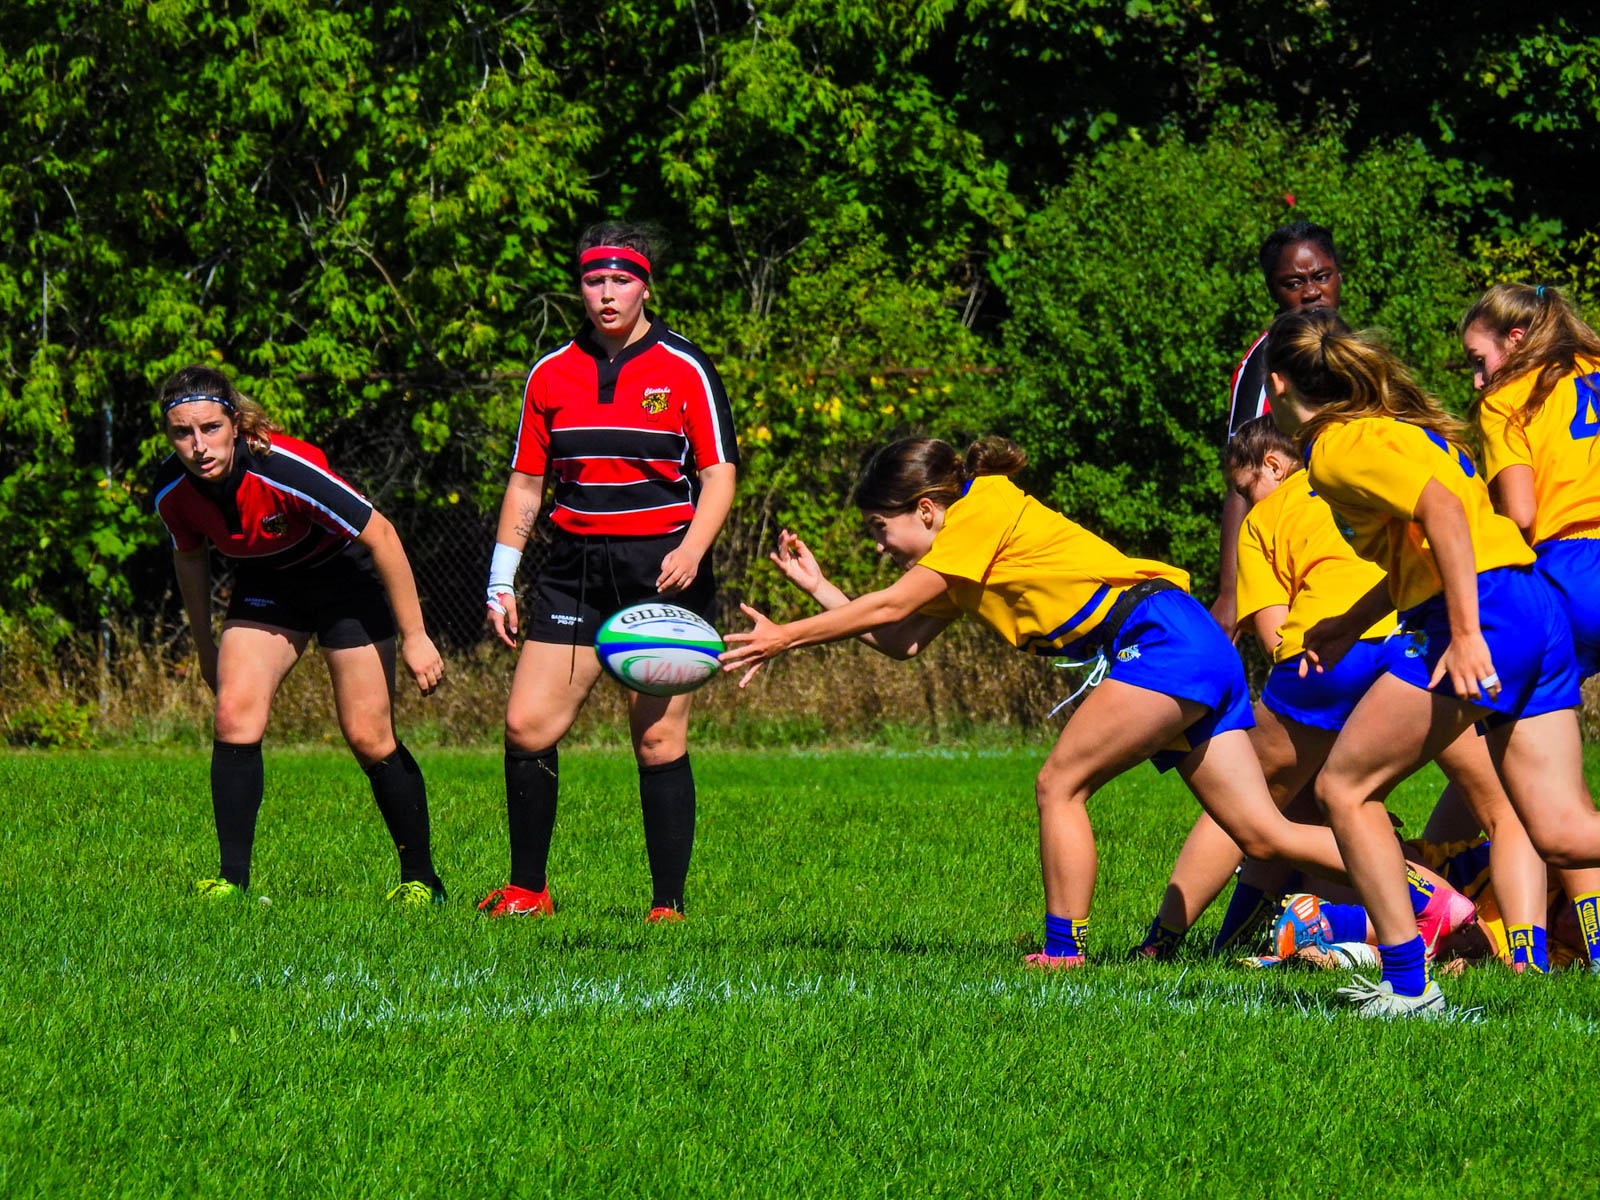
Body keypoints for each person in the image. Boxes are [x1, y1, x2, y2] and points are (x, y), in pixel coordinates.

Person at [723, 436, 1358, 971]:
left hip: (1161, 640)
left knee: (1061, 783)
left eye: (879, 530)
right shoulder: (963, 551)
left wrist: (783, 638)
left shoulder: (975, 516)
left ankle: (1064, 951)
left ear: (924, 509)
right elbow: (900, 638)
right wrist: (819, 589)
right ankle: (1427, 898)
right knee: (1262, 834)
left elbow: (890, 605)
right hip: (1189, 640)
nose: (879, 547)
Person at [1263, 306, 1600, 1014]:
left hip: (1481, 616)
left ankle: (1408, 987)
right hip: (1531, 602)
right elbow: (1423, 544)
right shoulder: (1392, 429)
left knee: (1346, 790)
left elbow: (1444, 513)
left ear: (1277, 385)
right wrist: (1346, 625)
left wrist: (1468, 633)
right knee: (1564, 830)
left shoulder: (1333, 446)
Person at [1135, 418, 1558, 971]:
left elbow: (1272, 632)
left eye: (1245, 489)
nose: (1245, 500)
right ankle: (1528, 958)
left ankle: (1162, 942)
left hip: (1330, 660)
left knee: (1251, 810)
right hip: (1414, 643)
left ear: (1273, 464)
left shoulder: (1263, 521)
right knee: (1504, 809)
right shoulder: (1358, 477)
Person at [478, 221, 738, 922]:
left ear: (646, 284)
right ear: (580, 286)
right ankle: (528, 890)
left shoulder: (685, 368)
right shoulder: (550, 374)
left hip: (664, 574)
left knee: (656, 739)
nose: (606, 294)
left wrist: (691, 549)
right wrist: (501, 580)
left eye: (621, 279)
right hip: (572, 572)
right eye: (594, 280)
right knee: (527, 727)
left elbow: (718, 475)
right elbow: (527, 486)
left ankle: (668, 905)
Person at [154, 365, 446, 905]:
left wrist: (415, 636)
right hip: (269, 585)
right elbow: (189, 558)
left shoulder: (283, 468)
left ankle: (422, 881)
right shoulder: (172, 489)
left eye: (211, 428)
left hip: (342, 580)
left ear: (235, 424)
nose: (198, 446)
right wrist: (203, 647)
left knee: (368, 736)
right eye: (182, 433)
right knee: (234, 714)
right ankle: (232, 882)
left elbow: (381, 534)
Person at [1462, 281, 1600, 966]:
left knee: (1541, 793)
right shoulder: (1594, 372)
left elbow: (1518, 511)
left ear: (1515, 341)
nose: (1474, 373)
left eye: (1476, 357)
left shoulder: (1508, 399)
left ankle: (1531, 950)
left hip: (1567, 572)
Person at [1213, 221, 1344, 632]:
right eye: (1294, 283)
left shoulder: (1346, 346)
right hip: (1302, 549)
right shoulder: (1269, 360)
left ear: (1339, 275)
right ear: (1273, 290)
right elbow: (1244, 472)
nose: (1311, 292)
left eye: (1321, 277)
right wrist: (1230, 596)